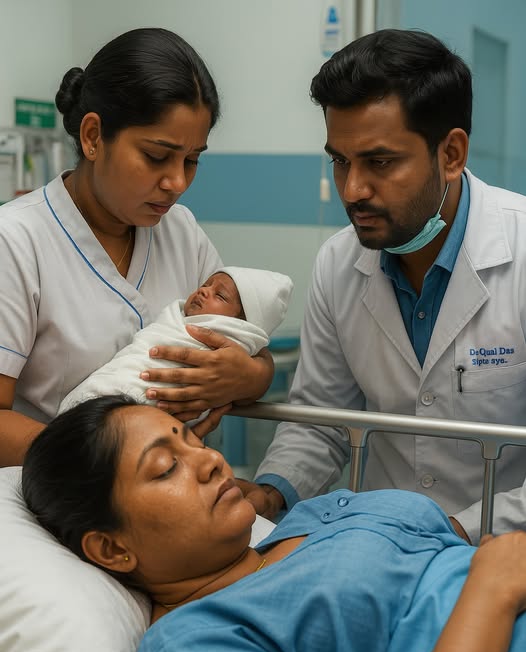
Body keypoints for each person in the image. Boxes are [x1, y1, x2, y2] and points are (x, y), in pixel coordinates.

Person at [21, 395, 526, 652]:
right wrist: (492, 589)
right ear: (112, 549)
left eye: (192, 441)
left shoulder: (309, 517)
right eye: (166, 467)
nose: (210, 460)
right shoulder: (189, 651)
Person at [239, 28, 526, 546]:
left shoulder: (521, 252)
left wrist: (448, 532)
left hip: (499, 554)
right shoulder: (338, 262)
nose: (352, 190)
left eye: (380, 162)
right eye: (340, 160)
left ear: (451, 154)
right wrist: (268, 495)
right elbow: (320, 421)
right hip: (380, 552)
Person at [0, 27, 274, 468]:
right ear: (93, 137)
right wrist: (108, 462)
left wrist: (252, 375)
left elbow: (244, 341)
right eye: (156, 156)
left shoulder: (181, 232)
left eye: (192, 160)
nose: (177, 183)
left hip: (172, 487)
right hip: (54, 495)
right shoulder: (16, 241)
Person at [59, 267, 293, 412]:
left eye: (219, 295)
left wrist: (253, 376)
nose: (203, 291)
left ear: (241, 324)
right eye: (204, 285)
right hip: (91, 407)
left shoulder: (185, 230)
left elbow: (255, 354)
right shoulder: (175, 319)